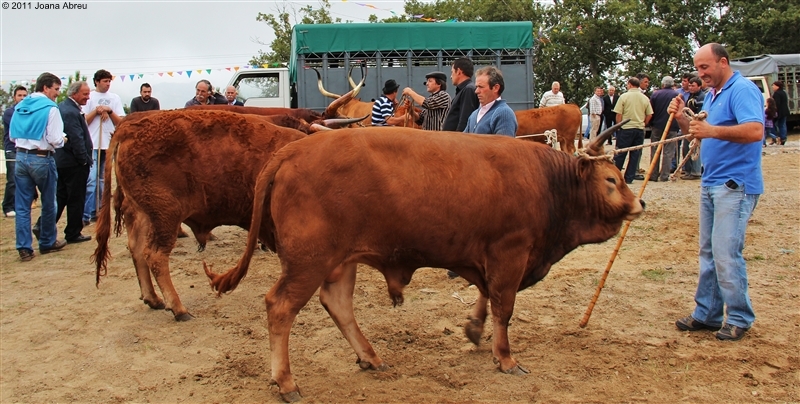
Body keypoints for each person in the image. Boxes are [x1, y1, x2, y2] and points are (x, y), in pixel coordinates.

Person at [670, 43, 764, 342]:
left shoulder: (742, 89)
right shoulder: (713, 94)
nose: (700, 74)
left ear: (723, 62)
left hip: (735, 184)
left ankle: (738, 317)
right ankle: (707, 313)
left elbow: (755, 131)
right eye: (698, 68)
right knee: (709, 251)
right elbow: (699, 131)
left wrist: (712, 131)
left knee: (725, 252)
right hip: (713, 182)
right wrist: (682, 118)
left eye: (705, 67)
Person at [9, 73, 67, 261]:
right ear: (45, 88)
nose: (57, 94)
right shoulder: (51, 108)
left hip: (21, 157)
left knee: (23, 206)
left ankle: (24, 248)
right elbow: (55, 139)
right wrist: (64, 139)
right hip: (42, 158)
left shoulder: (20, 106)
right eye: (56, 89)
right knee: (49, 202)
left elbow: (12, 136)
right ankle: (47, 241)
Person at [83, 69, 125, 225]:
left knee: (103, 180)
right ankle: (87, 212)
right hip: (92, 143)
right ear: (97, 82)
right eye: (105, 81)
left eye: (109, 81)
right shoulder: (89, 97)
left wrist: (109, 110)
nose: (107, 84)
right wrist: (97, 110)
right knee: (91, 179)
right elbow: (84, 121)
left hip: (108, 144)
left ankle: (100, 210)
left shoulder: (114, 98)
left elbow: (120, 122)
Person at [612, 77, 653, 184]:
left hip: (626, 128)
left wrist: (618, 125)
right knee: (635, 154)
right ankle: (629, 178)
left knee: (620, 153)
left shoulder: (624, 97)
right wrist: (644, 123)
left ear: (629, 84)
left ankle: (616, 176)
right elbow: (649, 114)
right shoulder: (645, 98)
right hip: (639, 128)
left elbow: (619, 114)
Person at [464, 66, 517, 137]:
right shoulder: (474, 115)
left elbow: (504, 147)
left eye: (481, 87)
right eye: (476, 87)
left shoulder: (504, 113)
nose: (476, 91)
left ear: (496, 88)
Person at [647, 76, 680, 182]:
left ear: (663, 84)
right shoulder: (677, 95)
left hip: (657, 125)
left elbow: (651, 110)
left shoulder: (656, 94)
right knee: (668, 152)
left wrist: (651, 123)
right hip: (672, 126)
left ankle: (653, 174)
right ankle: (664, 175)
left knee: (655, 150)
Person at [3, 85, 28, 217]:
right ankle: (8, 207)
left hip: (24, 150)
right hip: (12, 149)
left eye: (25, 95)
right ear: (14, 97)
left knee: (22, 180)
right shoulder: (10, 112)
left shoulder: (28, 111)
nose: (22, 98)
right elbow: (21, 127)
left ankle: (19, 205)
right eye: (20, 95)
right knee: (12, 179)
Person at [442, 57, 479, 132]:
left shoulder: (468, 89)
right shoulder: (464, 89)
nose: (451, 76)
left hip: (457, 140)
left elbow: (464, 120)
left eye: (452, 72)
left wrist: (459, 140)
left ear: (458, 71)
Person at [681, 76, 705, 180]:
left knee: (695, 147)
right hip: (689, 124)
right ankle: (688, 170)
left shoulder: (701, 96)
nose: (690, 87)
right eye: (689, 85)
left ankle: (696, 171)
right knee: (686, 147)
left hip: (697, 123)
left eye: (693, 85)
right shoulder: (691, 96)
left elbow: (701, 110)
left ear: (699, 86)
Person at [772, 80, 789, 145]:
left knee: (773, 124)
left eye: (774, 85)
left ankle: (775, 137)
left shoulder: (777, 93)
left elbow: (777, 103)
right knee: (783, 125)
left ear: (777, 86)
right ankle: (783, 138)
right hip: (785, 111)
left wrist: (774, 111)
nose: (772, 87)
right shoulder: (783, 92)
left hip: (779, 112)